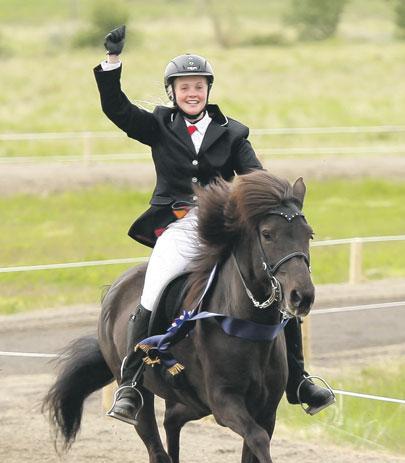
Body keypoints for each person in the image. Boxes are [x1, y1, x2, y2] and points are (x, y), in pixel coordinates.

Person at [94, 25, 335, 426]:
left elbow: (255, 176)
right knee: (153, 288)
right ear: (172, 92)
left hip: (223, 228)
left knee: (273, 286)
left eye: (199, 86)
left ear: (208, 90)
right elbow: (116, 109)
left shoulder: (234, 132)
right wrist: (112, 63)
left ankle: (298, 379)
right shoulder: (157, 125)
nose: (193, 93)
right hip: (177, 226)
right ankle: (133, 381)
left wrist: (277, 202)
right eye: (184, 87)